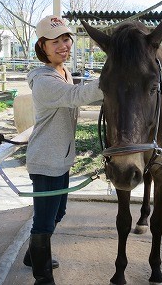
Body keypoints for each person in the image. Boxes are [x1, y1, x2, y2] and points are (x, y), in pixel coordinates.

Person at [24, 15, 103, 285]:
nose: (63, 46)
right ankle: (42, 277)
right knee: (44, 223)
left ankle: (31, 256)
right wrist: (116, 76)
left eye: (66, 39)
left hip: (61, 157)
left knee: (56, 214)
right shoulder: (45, 81)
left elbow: (82, 91)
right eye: (55, 41)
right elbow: (75, 96)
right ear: (42, 46)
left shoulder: (64, 72)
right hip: (46, 160)